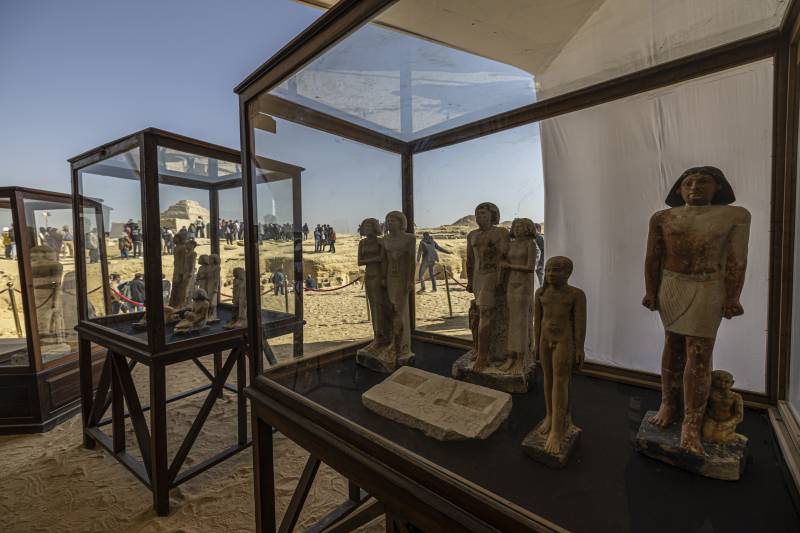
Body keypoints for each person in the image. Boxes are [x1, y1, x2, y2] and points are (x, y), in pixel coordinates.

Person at [642, 166, 750, 455]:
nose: (695, 187)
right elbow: (653, 258)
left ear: (718, 187)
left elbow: (736, 259)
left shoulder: (734, 216)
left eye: (704, 182)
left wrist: (732, 297)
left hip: (707, 287)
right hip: (672, 285)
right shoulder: (663, 218)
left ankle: (691, 423)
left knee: (699, 352)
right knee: (673, 343)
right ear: (678, 189)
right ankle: (669, 403)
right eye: (688, 182)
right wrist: (651, 291)